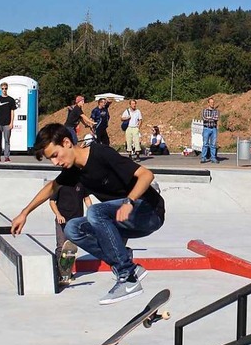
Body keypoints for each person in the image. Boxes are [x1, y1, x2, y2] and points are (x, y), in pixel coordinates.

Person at [11, 123, 165, 305]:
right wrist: (25, 213)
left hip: (148, 211)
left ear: (67, 142)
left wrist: (129, 201)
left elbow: (147, 175)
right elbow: (52, 187)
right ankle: (129, 268)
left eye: (55, 155)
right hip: (122, 221)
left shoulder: (101, 154)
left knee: (95, 211)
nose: (55, 162)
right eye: (50, 159)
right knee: (72, 228)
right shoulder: (74, 171)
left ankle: (128, 278)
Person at [50, 182, 92, 285]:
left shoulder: (81, 183)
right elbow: (52, 201)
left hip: (76, 221)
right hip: (62, 220)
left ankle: (67, 272)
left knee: (70, 248)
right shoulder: (60, 183)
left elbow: (86, 198)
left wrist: (91, 213)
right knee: (61, 246)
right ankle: (59, 273)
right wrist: (58, 215)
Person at [0, 82, 17, 162]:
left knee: (7, 140)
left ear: (7, 89)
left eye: (5, 88)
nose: (4, 90)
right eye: (2, 88)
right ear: (0, 89)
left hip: (7, 123)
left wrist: (11, 122)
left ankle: (6, 156)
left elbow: (12, 112)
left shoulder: (11, 100)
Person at [201, 98, 219, 163]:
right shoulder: (204, 111)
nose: (212, 104)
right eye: (211, 102)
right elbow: (204, 118)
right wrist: (211, 118)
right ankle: (203, 158)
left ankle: (213, 158)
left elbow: (216, 118)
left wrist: (209, 118)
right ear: (208, 103)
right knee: (205, 144)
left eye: (213, 102)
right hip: (206, 128)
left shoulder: (216, 111)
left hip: (214, 129)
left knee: (213, 144)